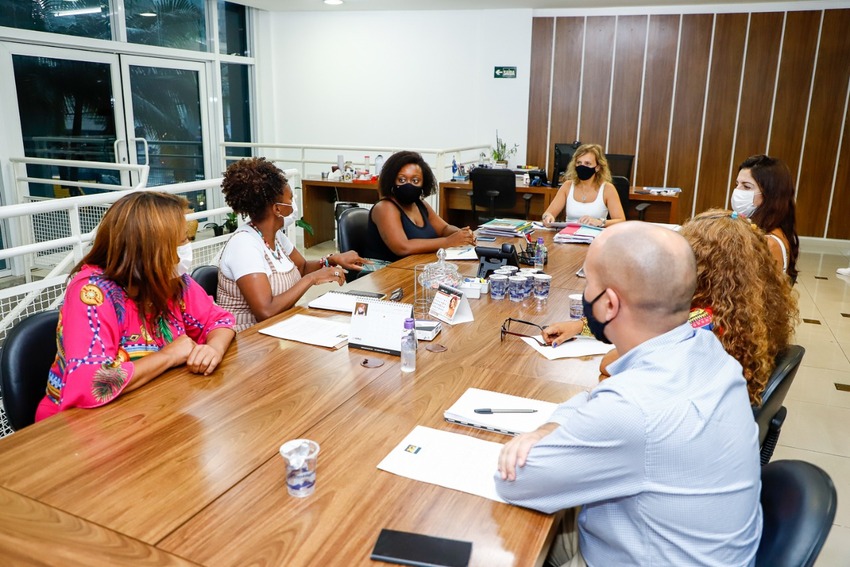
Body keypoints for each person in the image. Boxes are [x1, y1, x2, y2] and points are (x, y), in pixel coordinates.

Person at [496, 222, 761, 567]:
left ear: (608, 304)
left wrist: (544, 432)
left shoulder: (635, 408)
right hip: (681, 547)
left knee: (491, 539)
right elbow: (598, 400)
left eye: (588, 283)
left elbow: (516, 483)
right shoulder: (709, 350)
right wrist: (551, 427)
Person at [549, 210, 799, 406]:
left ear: (699, 263)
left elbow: (611, 363)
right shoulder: (745, 309)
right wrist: (580, 327)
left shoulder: (702, 321)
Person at [36, 192, 236, 421]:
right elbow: (93, 384)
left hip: (153, 408)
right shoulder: (91, 293)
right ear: (149, 249)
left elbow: (220, 321)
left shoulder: (173, 281)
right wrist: (169, 356)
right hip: (77, 429)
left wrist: (213, 350)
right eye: (182, 242)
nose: (187, 248)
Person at [218, 157, 371, 332]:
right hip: (247, 340)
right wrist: (312, 279)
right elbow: (265, 311)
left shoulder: (275, 236)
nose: (294, 204)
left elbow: (302, 268)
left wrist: (331, 260)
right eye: (291, 199)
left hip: (276, 330)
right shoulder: (244, 246)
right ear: (277, 209)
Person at [361, 151, 475, 262]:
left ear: (423, 184)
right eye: (402, 180)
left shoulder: (421, 205)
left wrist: (463, 234)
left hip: (414, 267)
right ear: (392, 180)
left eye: (415, 180)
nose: (408, 185)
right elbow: (402, 247)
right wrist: (448, 242)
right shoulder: (385, 207)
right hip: (385, 274)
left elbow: (444, 229)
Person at [732, 154, 799, 281]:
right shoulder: (759, 227)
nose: (737, 190)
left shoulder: (768, 242)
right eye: (737, 184)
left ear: (770, 195)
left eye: (746, 187)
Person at [541, 143, 626, 228]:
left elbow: (621, 221)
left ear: (597, 167)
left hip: (595, 237)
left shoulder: (607, 189)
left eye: (587, 163)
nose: (582, 167)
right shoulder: (567, 186)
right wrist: (547, 217)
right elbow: (548, 213)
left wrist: (600, 222)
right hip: (568, 236)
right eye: (579, 163)